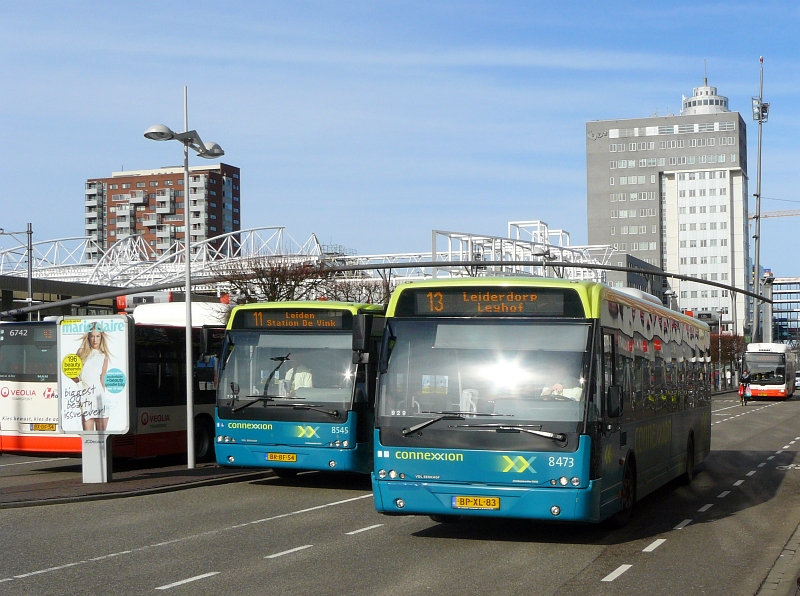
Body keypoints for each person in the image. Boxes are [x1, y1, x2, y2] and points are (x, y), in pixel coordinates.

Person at [72, 323, 111, 431]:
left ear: (101, 337)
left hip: (99, 396)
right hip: (86, 397)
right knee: (88, 436)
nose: (95, 340)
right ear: (88, 337)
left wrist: (103, 398)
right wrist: (79, 384)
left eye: (98, 336)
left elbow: (102, 379)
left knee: (101, 439)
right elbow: (72, 373)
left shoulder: (104, 356)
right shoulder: (81, 352)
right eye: (92, 336)